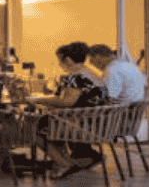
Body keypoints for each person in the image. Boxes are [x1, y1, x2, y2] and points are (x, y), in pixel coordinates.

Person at [37, 41, 109, 177]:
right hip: (97, 122)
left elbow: (67, 102)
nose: (60, 64)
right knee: (50, 120)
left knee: (37, 126)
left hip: (82, 124)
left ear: (68, 60)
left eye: (60, 60)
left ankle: (63, 163)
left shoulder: (76, 77)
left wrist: (37, 100)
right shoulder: (91, 73)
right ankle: (83, 156)